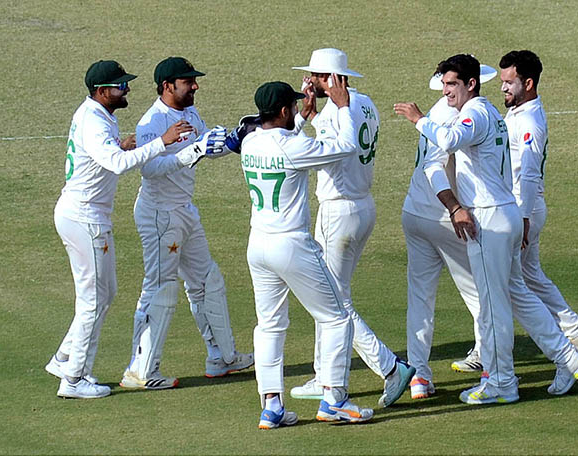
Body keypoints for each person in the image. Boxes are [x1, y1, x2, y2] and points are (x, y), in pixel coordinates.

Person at [395, 54, 578, 404]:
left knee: (493, 306)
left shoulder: (474, 113)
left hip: (489, 221)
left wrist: (420, 119)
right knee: (519, 296)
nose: (446, 91)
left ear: (471, 84)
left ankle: (501, 383)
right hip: (505, 215)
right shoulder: (492, 113)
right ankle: (568, 357)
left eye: (452, 84)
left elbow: (451, 140)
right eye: (444, 84)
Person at [46, 60, 194, 398]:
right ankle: (74, 379)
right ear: (102, 92)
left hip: (84, 214)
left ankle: (65, 357)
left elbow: (107, 155)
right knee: (93, 301)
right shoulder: (95, 120)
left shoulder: (97, 115)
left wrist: (125, 145)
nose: (126, 90)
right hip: (85, 218)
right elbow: (115, 164)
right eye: (120, 86)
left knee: (105, 293)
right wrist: (162, 142)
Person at [242, 80, 373, 429]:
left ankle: (271, 406)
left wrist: (301, 118)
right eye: (293, 108)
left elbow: (285, 140)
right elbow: (345, 148)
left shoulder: (252, 140)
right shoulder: (293, 147)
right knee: (336, 318)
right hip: (291, 245)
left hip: (258, 244)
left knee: (269, 324)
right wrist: (343, 106)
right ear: (284, 110)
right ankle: (334, 400)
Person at [289, 48, 414, 407]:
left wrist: (308, 120)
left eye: (314, 76)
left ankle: (389, 367)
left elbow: (331, 150)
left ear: (331, 79)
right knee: (327, 298)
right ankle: (325, 376)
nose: (307, 82)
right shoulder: (367, 103)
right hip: (363, 207)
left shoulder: (336, 113)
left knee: (333, 303)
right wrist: (315, 116)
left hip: (337, 212)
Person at [119, 57, 254, 390]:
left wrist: (235, 140)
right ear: (167, 86)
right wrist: (192, 150)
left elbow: (207, 146)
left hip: (183, 211)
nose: (195, 86)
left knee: (208, 280)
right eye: (187, 82)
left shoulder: (190, 113)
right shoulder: (153, 121)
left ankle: (222, 357)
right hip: (159, 214)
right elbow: (149, 169)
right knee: (160, 288)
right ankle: (141, 370)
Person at [402, 65, 498, 399]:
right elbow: (435, 167)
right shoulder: (452, 114)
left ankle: (419, 377)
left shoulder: (439, 110)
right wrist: (455, 207)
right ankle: (492, 369)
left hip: (414, 212)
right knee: (481, 295)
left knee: (420, 297)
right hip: (444, 219)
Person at [499, 50, 578, 355]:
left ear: (528, 83)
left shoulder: (528, 121)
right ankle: (577, 333)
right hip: (525, 208)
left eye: (509, 82)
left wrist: (524, 219)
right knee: (531, 277)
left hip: (522, 209)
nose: (503, 87)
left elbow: (528, 174)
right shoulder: (519, 112)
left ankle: (489, 350)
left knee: (506, 284)